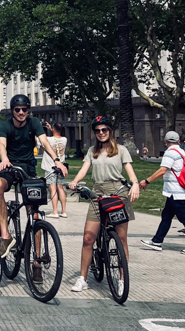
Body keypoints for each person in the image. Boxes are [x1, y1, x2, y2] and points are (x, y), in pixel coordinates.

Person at [68, 116, 139, 293]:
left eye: (104, 130)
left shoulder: (121, 150)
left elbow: (130, 170)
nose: (101, 133)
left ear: (110, 131)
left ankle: (122, 279)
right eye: (98, 130)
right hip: (97, 194)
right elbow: (84, 169)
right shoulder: (92, 151)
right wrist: (75, 181)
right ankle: (82, 278)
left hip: (118, 193)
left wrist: (135, 183)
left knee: (122, 240)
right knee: (88, 238)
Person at [0, 95, 68, 258]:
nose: (21, 112)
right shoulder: (4, 125)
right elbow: (1, 144)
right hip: (10, 166)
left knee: (34, 215)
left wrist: (57, 160)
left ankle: (37, 259)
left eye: (24, 109)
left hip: (28, 169)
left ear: (29, 110)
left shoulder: (33, 123)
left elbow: (44, 142)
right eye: (17, 110)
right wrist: (5, 158)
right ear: (12, 111)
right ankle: (5, 237)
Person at [139, 131, 185, 254]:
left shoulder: (170, 153)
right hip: (174, 193)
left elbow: (162, 170)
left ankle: (157, 241)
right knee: (166, 217)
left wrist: (146, 181)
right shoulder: (182, 152)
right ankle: (157, 241)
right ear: (178, 141)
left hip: (177, 193)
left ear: (165, 141)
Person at [42, 122, 68, 218]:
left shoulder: (48, 140)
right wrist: (51, 129)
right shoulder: (64, 140)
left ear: (53, 129)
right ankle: (64, 211)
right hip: (61, 167)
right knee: (60, 188)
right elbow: (56, 135)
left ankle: (55, 211)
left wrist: (45, 129)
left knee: (53, 189)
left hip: (51, 168)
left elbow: (40, 138)